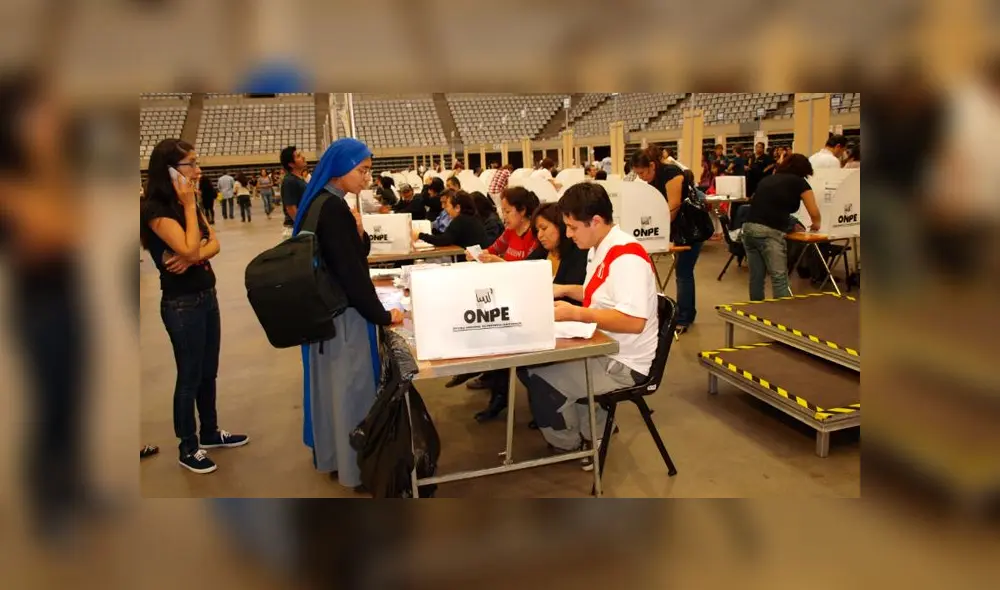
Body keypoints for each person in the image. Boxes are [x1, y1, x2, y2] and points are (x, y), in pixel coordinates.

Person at [291, 138, 405, 491]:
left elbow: (348, 254)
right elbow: (352, 274)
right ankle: (355, 468)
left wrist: (358, 232)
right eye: (362, 171)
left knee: (331, 391)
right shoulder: (334, 209)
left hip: (323, 317)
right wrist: (383, 316)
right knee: (352, 389)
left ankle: (332, 456)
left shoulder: (318, 204)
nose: (367, 179)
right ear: (340, 170)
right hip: (344, 318)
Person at [522, 182, 658, 469]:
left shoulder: (626, 258)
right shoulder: (601, 248)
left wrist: (575, 314)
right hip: (604, 344)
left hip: (624, 362)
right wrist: (565, 290)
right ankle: (593, 432)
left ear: (595, 221)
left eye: (572, 227)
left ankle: (570, 445)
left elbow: (634, 322)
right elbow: (602, 295)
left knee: (541, 379)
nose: (568, 234)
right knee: (534, 367)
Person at [140, 139, 248, 474]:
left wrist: (194, 252)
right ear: (170, 169)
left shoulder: (189, 203)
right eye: (191, 164)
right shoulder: (156, 210)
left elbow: (212, 243)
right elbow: (191, 245)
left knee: (207, 372)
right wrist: (189, 210)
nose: (198, 170)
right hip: (182, 304)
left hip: (206, 295)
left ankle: (211, 432)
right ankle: (188, 446)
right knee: (188, 377)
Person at [630, 145, 701, 334]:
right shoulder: (653, 178)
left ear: (652, 165)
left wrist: (657, 229)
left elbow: (673, 206)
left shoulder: (671, 173)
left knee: (683, 273)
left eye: (643, 172)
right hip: (677, 230)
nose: (642, 177)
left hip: (689, 229)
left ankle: (683, 318)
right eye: (638, 174)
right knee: (684, 272)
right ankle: (688, 313)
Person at [741, 153, 822, 301]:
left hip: (748, 228)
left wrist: (791, 222)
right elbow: (813, 211)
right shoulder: (800, 182)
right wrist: (817, 224)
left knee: (756, 279)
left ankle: (756, 312)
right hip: (770, 232)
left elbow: (766, 205)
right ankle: (783, 316)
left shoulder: (768, 179)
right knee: (779, 278)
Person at [413, 190, 487, 248]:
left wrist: (420, 235)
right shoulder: (474, 218)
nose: (445, 209)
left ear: (457, 208)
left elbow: (443, 240)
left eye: (448, 206)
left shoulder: (460, 220)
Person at [280, 145, 309, 240]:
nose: (303, 157)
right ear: (291, 164)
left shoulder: (299, 179)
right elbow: (291, 208)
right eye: (298, 156)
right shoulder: (290, 181)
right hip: (295, 229)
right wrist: (302, 227)